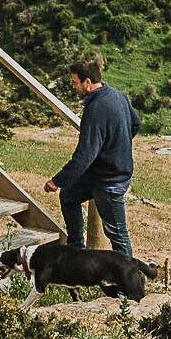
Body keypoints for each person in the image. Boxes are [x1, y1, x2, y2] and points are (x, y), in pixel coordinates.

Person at [42, 56, 141, 257]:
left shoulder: (95, 109)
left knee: (118, 234)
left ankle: (130, 282)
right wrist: (114, 145)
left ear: (88, 82)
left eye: (75, 82)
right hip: (102, 174)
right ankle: (77, 253)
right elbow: (136, 123)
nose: (73, 87)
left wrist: (57, 181)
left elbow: (84, 155)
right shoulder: (117, 95)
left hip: (109, 180)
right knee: (69, 195)